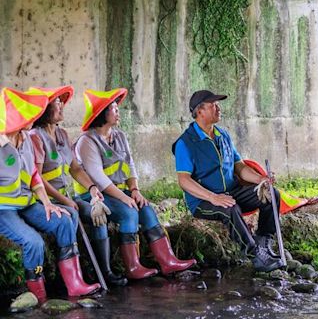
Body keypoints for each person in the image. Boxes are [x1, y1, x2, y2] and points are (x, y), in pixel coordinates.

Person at [74, 88, 196, 279]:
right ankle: (132, 267)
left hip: (119, 192)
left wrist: (135, 191)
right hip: (94, 196)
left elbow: (130, 166)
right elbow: (98, 177)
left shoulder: (120, 136)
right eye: (114, 109)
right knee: (129, 213)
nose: (118, 112)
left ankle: (168, 261)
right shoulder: (87, 141)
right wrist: (124, 198)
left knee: (146, 209)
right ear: (102, 114)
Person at [0, 87, 100, 303]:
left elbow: (34, 175)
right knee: (33, 242)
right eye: (26, 115)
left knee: (63, 219)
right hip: (3, 211)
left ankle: (75, 285)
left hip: (26, 203)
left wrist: (47, 203)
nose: (32, 118)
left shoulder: (25, 139)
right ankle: (38, 296)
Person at [172, 90, 284, 273]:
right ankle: (254, 254)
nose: (218, 108)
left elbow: (239, 166)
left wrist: (261, 179)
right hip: (203, 201)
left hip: (231, 191)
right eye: (213, 105)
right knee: (229, 209)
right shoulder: (186, 142)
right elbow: (184, 180)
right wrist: (212, 197)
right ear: (200, 111)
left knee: (272, 195)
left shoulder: (223, 135)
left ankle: (264, 242)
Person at [27, 85, 127, 287]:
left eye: (61, 102)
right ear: (44, 109)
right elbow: (36, 177)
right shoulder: (35, 137)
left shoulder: (63, 134)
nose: (62, 106)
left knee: (98, 213)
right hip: (43, 201)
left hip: (66, 199)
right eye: (57, 103)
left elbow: (76, 169)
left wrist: (93, 189)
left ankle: (105, 271)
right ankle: (72, 281)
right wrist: (65, 201)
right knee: (70, 215)